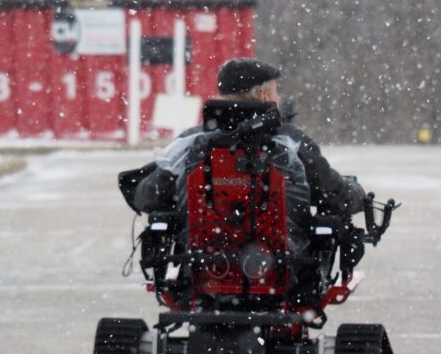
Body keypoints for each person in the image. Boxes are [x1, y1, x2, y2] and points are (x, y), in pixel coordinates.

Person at [133, 58, 365, 228]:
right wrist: (357, 193)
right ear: (264, 95)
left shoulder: (192, 142)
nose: (279, 98)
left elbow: (149, 196)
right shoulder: (291, 140)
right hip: (288, 268)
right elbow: (335, 196)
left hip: (203, 267)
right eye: (276, 92)